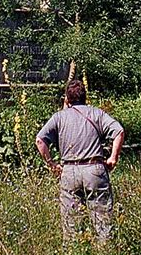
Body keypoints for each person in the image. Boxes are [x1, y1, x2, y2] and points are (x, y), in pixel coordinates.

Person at [36, 79, 124, 243]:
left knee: (71, 224)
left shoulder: (59, 117)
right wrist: (113, 157)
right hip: (94, 169)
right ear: (85, 97)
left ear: (67, 99)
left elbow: (40, 140)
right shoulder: (97, 114)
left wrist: (52, 165)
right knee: (103, 222)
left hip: (69, 170)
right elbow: (119, 131)